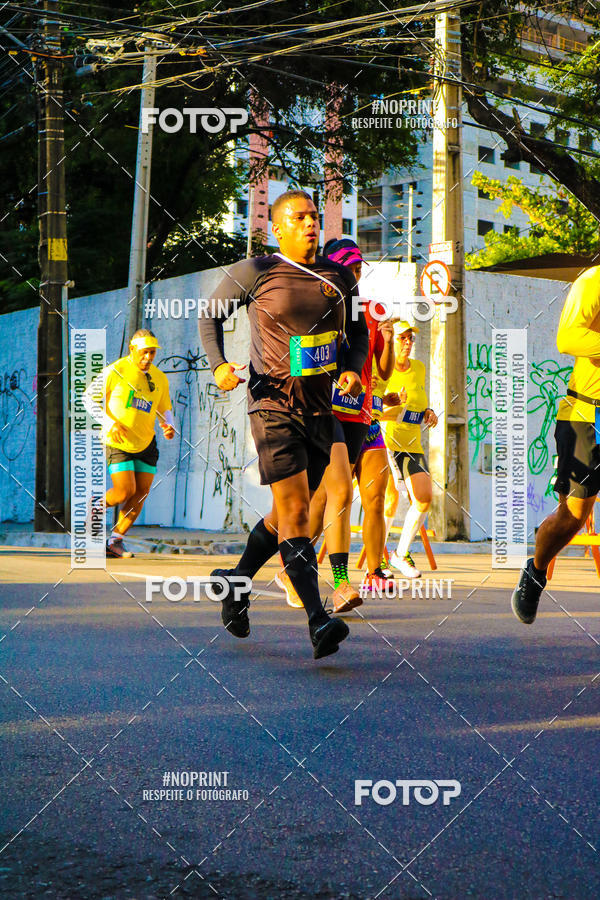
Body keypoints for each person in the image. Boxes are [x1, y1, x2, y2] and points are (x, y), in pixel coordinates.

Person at [199, 190, 368, 659]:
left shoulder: (338, 278)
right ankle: (318, 619)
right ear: (279, 228)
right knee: (296, 514)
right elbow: (209, 316)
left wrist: (352, 368)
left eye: (315, 217)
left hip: (321, 410)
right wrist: (218, 367)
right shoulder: (258, 271)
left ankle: (236, 581)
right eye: (300, 218)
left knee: (286, 514)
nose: (311, 224)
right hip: (271, 407)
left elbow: (358, 334)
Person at [276, 238, 395, 611]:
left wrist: (387, 339)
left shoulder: (369, 311)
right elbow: (299, 359)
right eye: (349, 268)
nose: (355, 274)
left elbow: (379, 369)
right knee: (338, 494)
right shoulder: (317, 304)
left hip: (362, 413)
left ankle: (289, 569)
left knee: (327, 499)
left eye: (359, 269)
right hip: (323, 410)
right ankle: (342, 584)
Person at [512, 265, 600, 623]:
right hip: (585, 415)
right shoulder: (593, 281)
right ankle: (536, 569)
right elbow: (568, 337)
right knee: (574, 516)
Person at [83, 329, 175, 558]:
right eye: (144, 352)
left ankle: (115, 541)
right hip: (118, 441)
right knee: (125, 490)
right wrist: (109, 423)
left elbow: (164, 408)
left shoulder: (159, 377)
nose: (148, 358)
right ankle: (96, 507)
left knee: (141, 493)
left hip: (146, 443)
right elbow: (87, 398)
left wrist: (169, 425)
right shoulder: (116, 370)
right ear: (132, 349)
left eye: (152, 353)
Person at [380, 322, 438, 578]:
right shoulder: (383, 371)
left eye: (410, 339)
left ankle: (399, 554)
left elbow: (422, 402)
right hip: (386, 442)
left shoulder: (419, 369)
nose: (407, 343)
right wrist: (395, 407)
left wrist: (429, 412)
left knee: (424, 497)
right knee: (389, 501)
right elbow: (375, 410)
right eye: (402, 338)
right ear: (391, 343)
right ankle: (377, 559)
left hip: (412, 444)